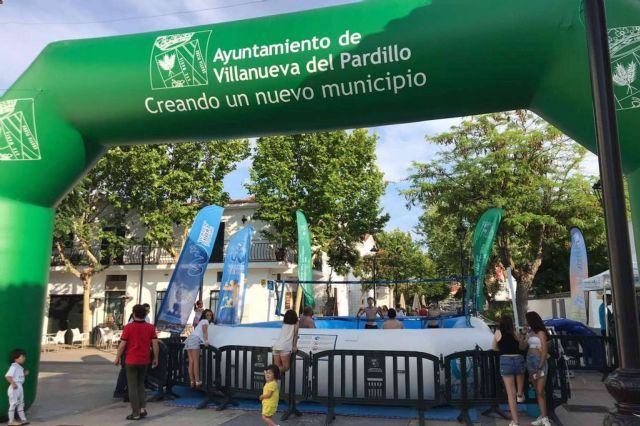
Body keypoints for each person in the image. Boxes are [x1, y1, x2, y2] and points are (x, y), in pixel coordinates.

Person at [115, 304, 159, 421]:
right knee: (141, 384)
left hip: (131, 360)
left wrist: (117, 357)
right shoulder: (150, 327)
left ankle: (135, 413)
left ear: (134, 314)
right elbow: (155, 344)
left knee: (132, 387)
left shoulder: (128, 327)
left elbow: (122, 344)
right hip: (144, 360)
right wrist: (156, 358)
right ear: (145, 314)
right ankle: (143, 408)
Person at [492, 315, 526, 426]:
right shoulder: (514, 332)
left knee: (510, 393)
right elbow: (520, 347)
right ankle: (520, 394)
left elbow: (494, 347)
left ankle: (515, 421)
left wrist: (500, 348)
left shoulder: (498, 332)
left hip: (505, 359)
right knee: (520, 374)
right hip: (518, 358)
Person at [524, 311, 551, 426]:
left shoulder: (541, 333)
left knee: (540, 391)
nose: (525, 322)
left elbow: (544, 351)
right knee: (537, 390)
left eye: (527, 320)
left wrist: (540, 366)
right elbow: (522, 346)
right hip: (530, 361)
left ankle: (544, 417)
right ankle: (542, 415)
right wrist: (523, 335)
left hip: (539, 361)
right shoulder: (530, 333)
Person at [184, 308, 214, 388]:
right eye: (207, 315)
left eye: (210, 315)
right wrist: (206, 341)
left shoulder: (201, 321)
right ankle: (197, 381)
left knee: (191, 362)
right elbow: (205, 331)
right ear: (204, 315)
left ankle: (192, 381)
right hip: (194, 340)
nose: (209, 316)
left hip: (189, 339)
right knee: (196, 362)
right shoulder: (205, 321)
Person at [5, 349, 28, 426]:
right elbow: (8, 376)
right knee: (13, 403)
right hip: (15, 387)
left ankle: (23, 419)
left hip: (19, 386)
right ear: (16, 358)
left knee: (21, 403)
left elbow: (18, 377)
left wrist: (24, 375)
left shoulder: (19, 367)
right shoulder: (14, 366)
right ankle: (11, 421)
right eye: (22, 357)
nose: (24, 358)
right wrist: (13, 383)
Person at [272, 310, 299, 374]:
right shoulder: (296, 323)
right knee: (286, 367)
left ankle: (272, 377)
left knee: (278, 367)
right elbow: (295, 335)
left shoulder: (284, 323)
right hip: (285, 346)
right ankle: (270, 372)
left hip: (276, 345)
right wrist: (294, 346)